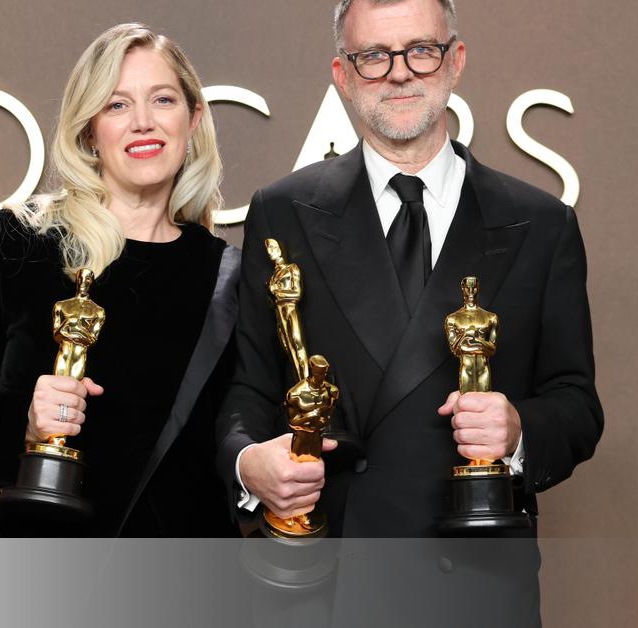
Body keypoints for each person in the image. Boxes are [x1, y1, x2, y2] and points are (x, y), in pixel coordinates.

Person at [217, 0, 603, 538]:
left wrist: (518, 431)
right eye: (374, 55)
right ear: (343, 75)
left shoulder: (540, 223)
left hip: (474, 563)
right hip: (333, 560)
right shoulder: (282, 212)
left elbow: (576, 404)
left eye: (421, 50)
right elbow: (250, 386)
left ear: (455, 60)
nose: (399, 73)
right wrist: (247, 464)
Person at [0, 23, 239, 538]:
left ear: (193, 118)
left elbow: (236, 441)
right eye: (116, 105)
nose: (143, 122)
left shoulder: (229, 277)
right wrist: (24, 423)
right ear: (89, 129)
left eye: (162, 99)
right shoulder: (12, 243)